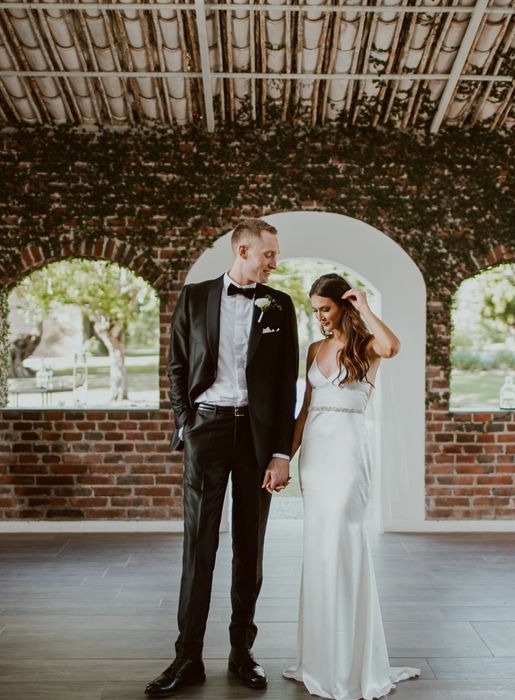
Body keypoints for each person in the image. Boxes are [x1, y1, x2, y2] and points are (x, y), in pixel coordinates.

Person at [145, 218, 299, 696]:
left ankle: (241, 654)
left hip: (256, 437)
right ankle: (187, 658)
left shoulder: (280, 304)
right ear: (243, 250)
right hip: (205, 429)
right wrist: (185, 421)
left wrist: (280, 451)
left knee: (249, 549)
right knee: (199, 547)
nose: (276, 262)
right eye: (269, 254)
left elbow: (286, 382)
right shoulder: (194, 297)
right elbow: (175, 363)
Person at [282, 273, 420, 699]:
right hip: (316, 460)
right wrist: (285, 457)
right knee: (320, 548)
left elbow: (393, 347)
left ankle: (350, 661)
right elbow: (304, 411)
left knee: (344, 544)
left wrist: (365, 307)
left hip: (348, 453)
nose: (320, 317)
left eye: (326, 308)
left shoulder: (366, 347)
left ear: (343, 305)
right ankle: (320, 657)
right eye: (315, 310)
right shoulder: (313, 349)